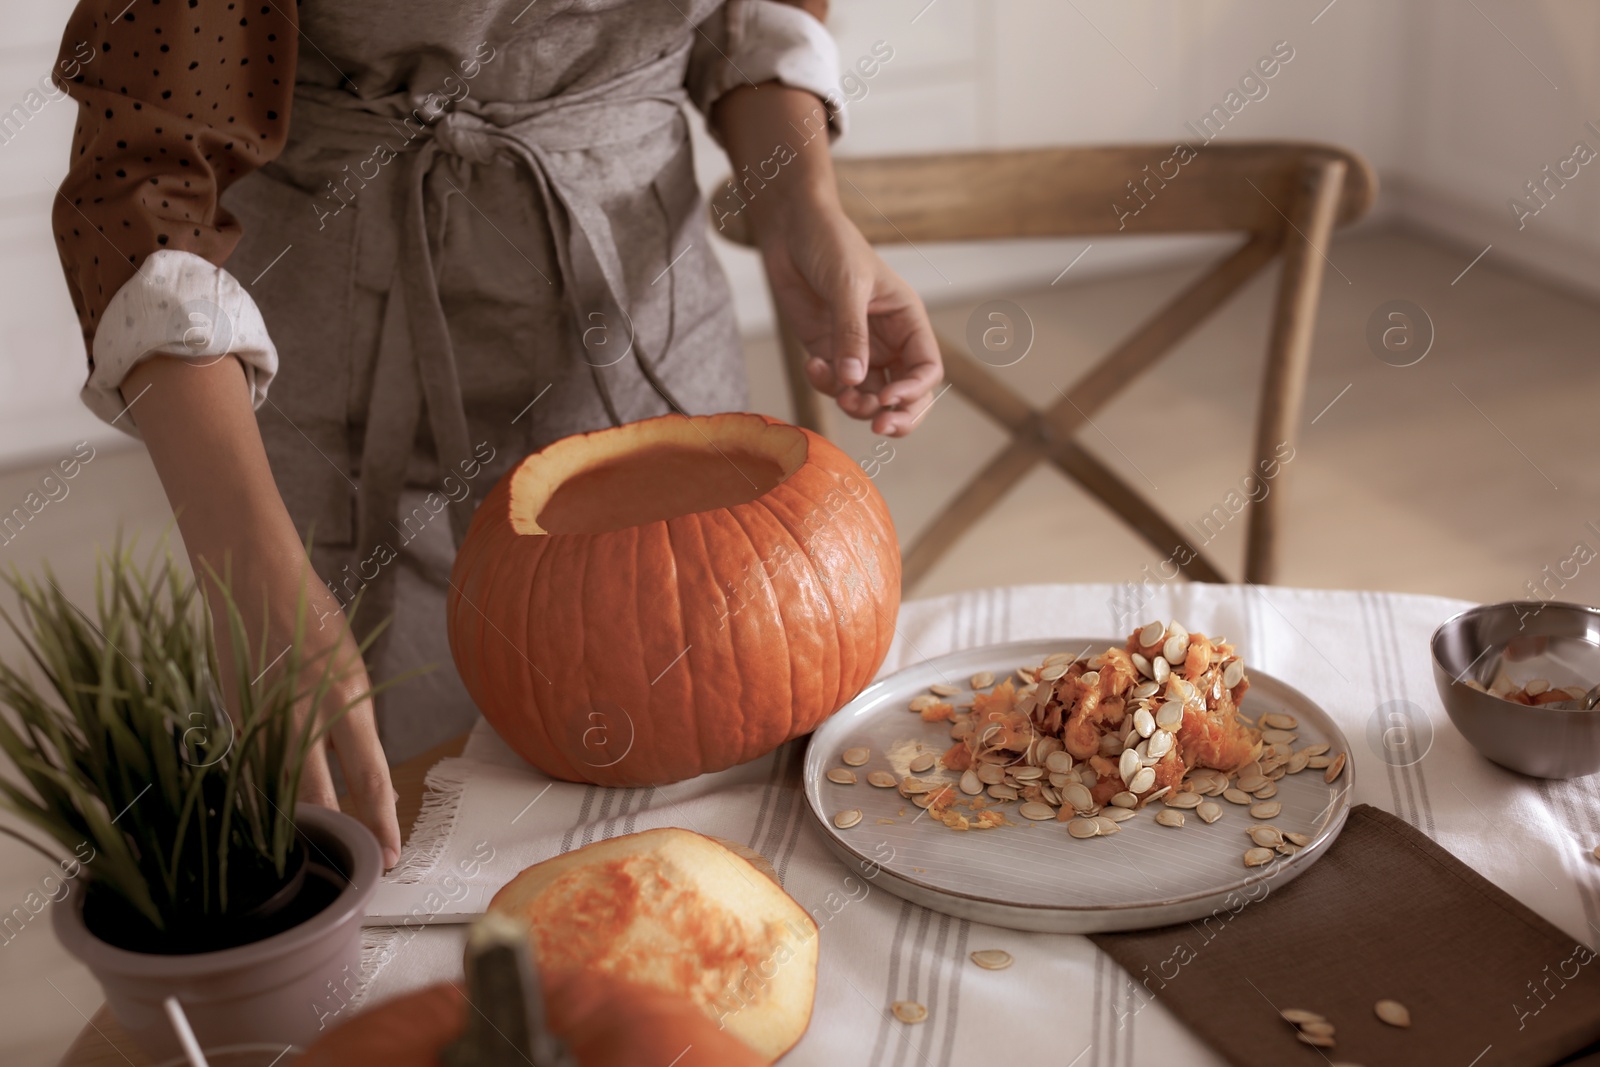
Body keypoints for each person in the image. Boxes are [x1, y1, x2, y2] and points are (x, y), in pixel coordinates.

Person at [50, 0, 943, 867]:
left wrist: (800, 205)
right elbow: (140, 183)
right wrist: (245, 563)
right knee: (380, 832)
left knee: (696, 830)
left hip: (639, 330)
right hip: (334, 366)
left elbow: (747, 19)